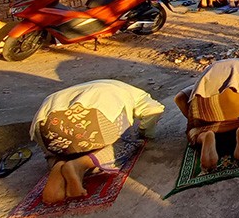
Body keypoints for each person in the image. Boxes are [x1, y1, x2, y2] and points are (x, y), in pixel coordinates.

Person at [32, 80, 165, 204]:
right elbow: (154, 110)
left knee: (57, 150)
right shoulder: (139, 95)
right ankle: (79, 165)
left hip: (44, 123)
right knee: (129, 142)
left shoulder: (101, 85)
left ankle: (58, 163)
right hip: (92, 117)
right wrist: (144, 133)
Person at [174, 58, 239, 171]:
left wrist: (196, 122)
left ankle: (204, 135)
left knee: (193, 131)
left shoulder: (208, 73)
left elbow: (179, 98)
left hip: (207, 106)